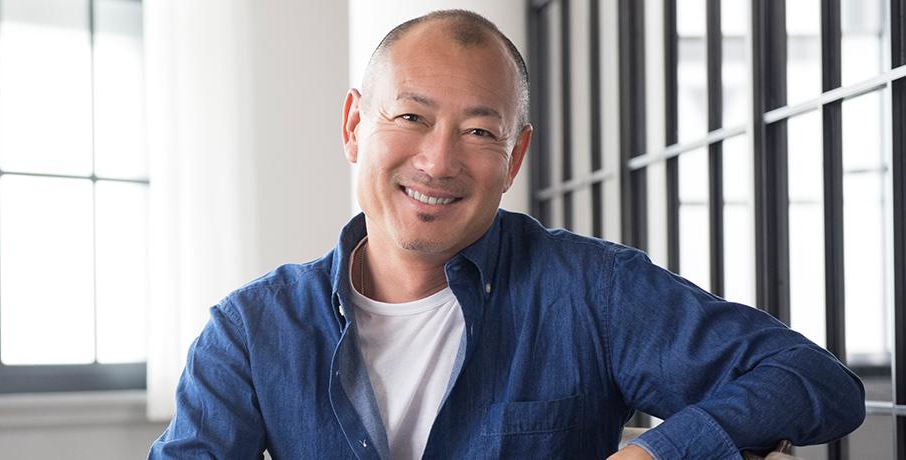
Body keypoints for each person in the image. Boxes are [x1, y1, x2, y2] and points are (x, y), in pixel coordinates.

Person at [147, 9, 865, 460]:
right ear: (353, 126)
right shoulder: (250, 329)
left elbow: (816, 383)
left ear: (514, 158)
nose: (438, 160)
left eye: (480, 130)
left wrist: (659, 454)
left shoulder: (591, 290)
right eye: (411, 117)